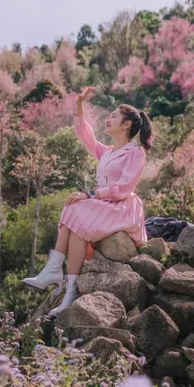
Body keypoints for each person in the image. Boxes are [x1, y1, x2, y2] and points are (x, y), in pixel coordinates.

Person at [23, 86, 151, 317]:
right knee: (74, 212)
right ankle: (67, 286)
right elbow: (84, 133)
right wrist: (79, 104)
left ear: (127, 124)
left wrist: (91, 194)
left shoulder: (136, 152)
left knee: (77, 205)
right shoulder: (107, 151)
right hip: (106, 205)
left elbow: (124, 188)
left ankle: (54, 270)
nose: (108, 119)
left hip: (123, 206)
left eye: (114, 116)